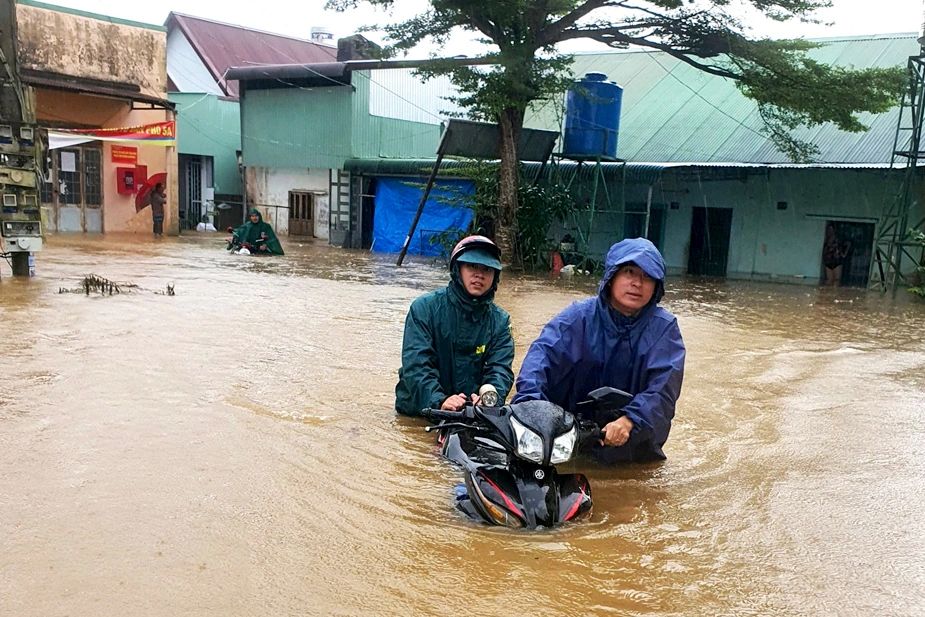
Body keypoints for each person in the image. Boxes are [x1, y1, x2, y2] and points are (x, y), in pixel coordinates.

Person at [512, 237, 685, 465]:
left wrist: (630, 420)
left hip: (633, 448)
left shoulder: (665, 329)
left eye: (647, 277)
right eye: (630, 272)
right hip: (565, 440)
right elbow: (539, 361)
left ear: (656, 287)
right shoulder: (577, 317)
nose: (637, 283)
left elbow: (663, 391)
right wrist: (531, 410)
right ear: (611, 277)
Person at [395, 235, 515, 416]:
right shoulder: (424, 309)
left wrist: (491, 399)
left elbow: (500, 369)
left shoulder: (500, 321)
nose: (479, 275)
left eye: (487, 269)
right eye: (472, 266)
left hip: (473, 413)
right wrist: (439, 401)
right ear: (457, 270)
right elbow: (417, 366)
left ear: (495, 276)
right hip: (420, 413)